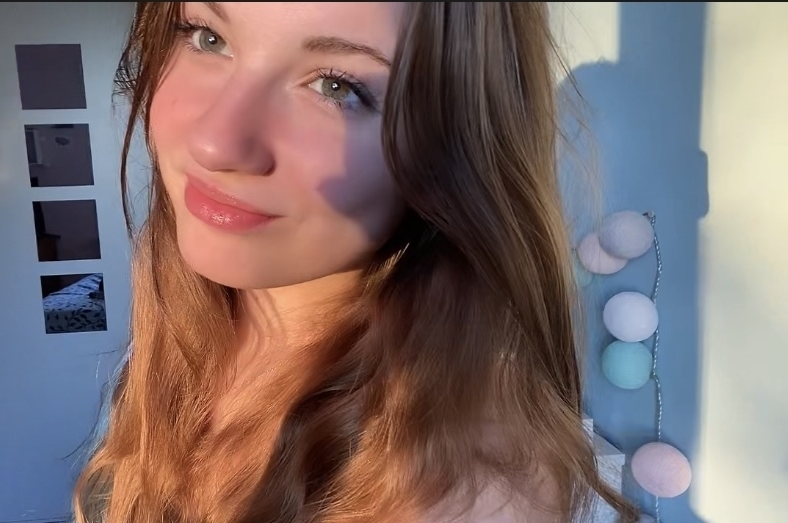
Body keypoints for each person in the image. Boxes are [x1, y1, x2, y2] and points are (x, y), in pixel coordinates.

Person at [73, 2, 639, 522]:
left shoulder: (456, 487)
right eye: (208, 38)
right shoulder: (182, 338)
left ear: (452, 152)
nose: (215, 143)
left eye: (335, 85)